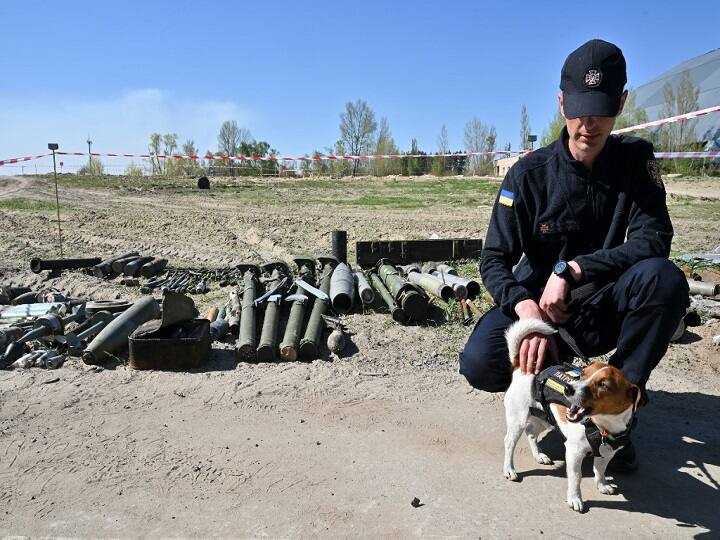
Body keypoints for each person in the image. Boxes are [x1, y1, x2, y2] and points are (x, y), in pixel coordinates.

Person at [459, 39, 689, 470]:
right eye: (578, 108)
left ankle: (616, 419)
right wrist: (525, 310)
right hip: (540, 310)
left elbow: (653, 240)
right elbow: (493, 259)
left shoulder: (635, 162)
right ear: (561, 102)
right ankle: (553, 397)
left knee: (665, 279)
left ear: (621, 101)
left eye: (601, 108)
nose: (588, 123)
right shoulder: (528, 175)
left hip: (603, 305)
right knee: (479, 362)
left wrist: (576, 269)